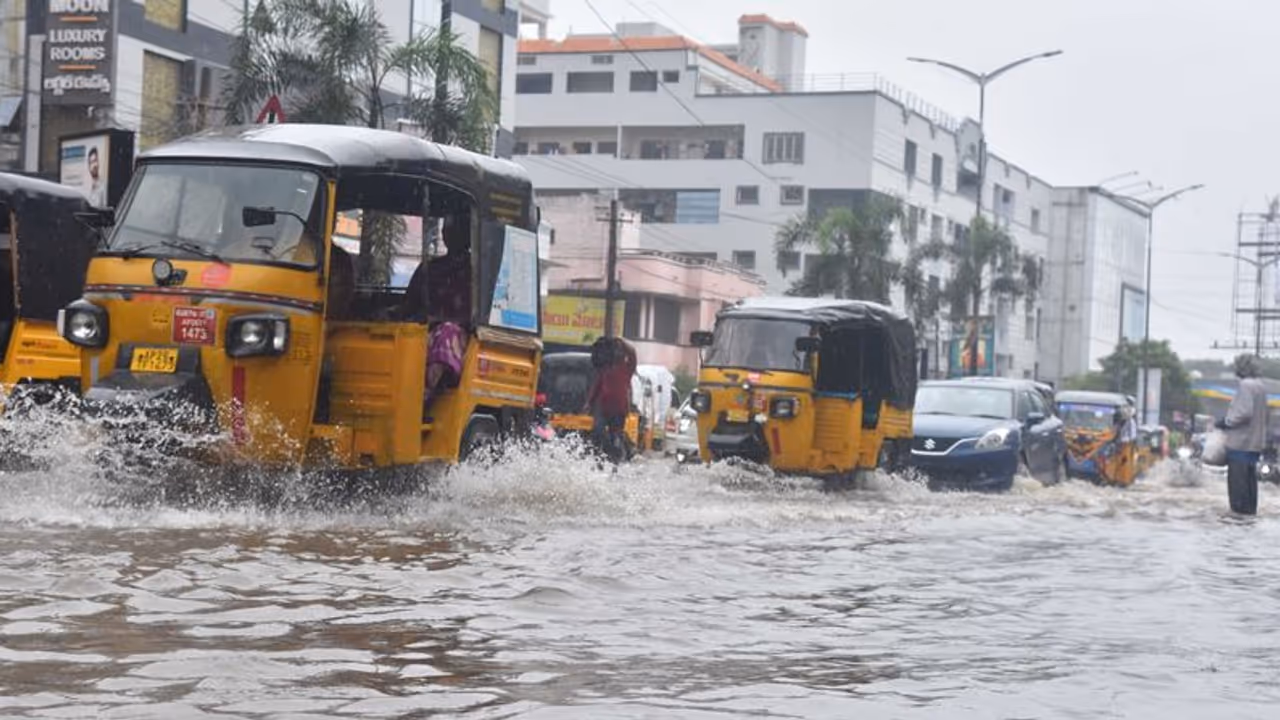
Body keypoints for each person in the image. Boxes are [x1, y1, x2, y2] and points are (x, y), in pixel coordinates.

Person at [1217, 354, 1269, 515]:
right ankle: (1248, 525)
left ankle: (1238, 525)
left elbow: (1244, 412)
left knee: (1238, 493)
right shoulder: (1261, 387)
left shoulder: (1245, 386)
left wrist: (1226, 422)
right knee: (1249, 489)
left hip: (1240, 444)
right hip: (1254, 445)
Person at [585, 336, 635, 463]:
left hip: (619, 409)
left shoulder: (627, 368)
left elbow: (632, 352)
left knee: (615, 436)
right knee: (597, 430)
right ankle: (599, 457)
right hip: (604, 407)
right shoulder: (605, 368)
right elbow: (597, 386)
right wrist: (589, 403)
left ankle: (616, 458)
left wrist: (621, 341)